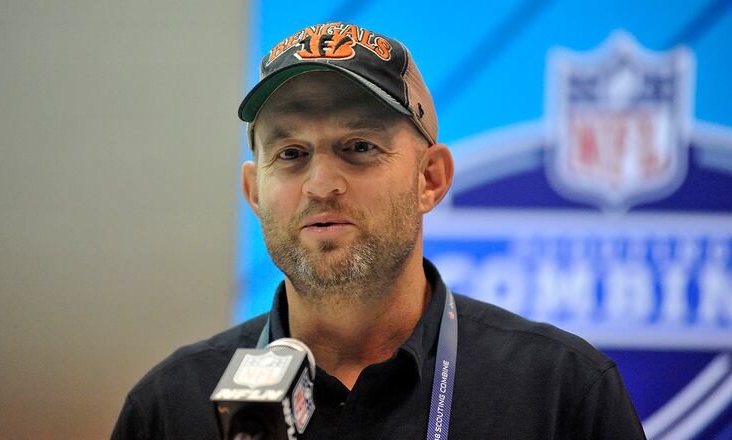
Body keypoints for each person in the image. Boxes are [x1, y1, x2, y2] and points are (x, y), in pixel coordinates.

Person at [112, 22, 646, 439]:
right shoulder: (169, 406)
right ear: (254, 192)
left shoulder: (561, 393)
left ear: (430, 179)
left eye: (360, 147)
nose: (321, 184)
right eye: (291, 153)